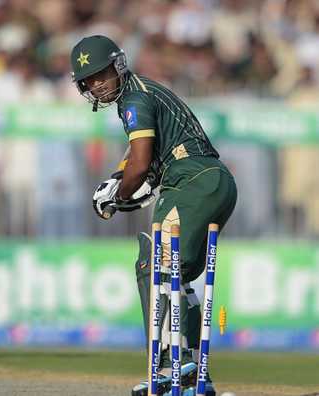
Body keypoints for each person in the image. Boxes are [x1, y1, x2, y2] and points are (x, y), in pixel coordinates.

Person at [70, 35, 237, 395]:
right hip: (212, 182)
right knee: (177, 275)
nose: (96, 84)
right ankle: (192, 369)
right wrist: (123, 180)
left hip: (191, 182)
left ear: (118, 66)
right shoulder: (144, 91)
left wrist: (117, 195)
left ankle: (163, 363)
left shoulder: (133, 97)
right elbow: (140, 166)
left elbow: (141, 163)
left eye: (101, 74)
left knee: (153, 265)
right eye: (89, 80)